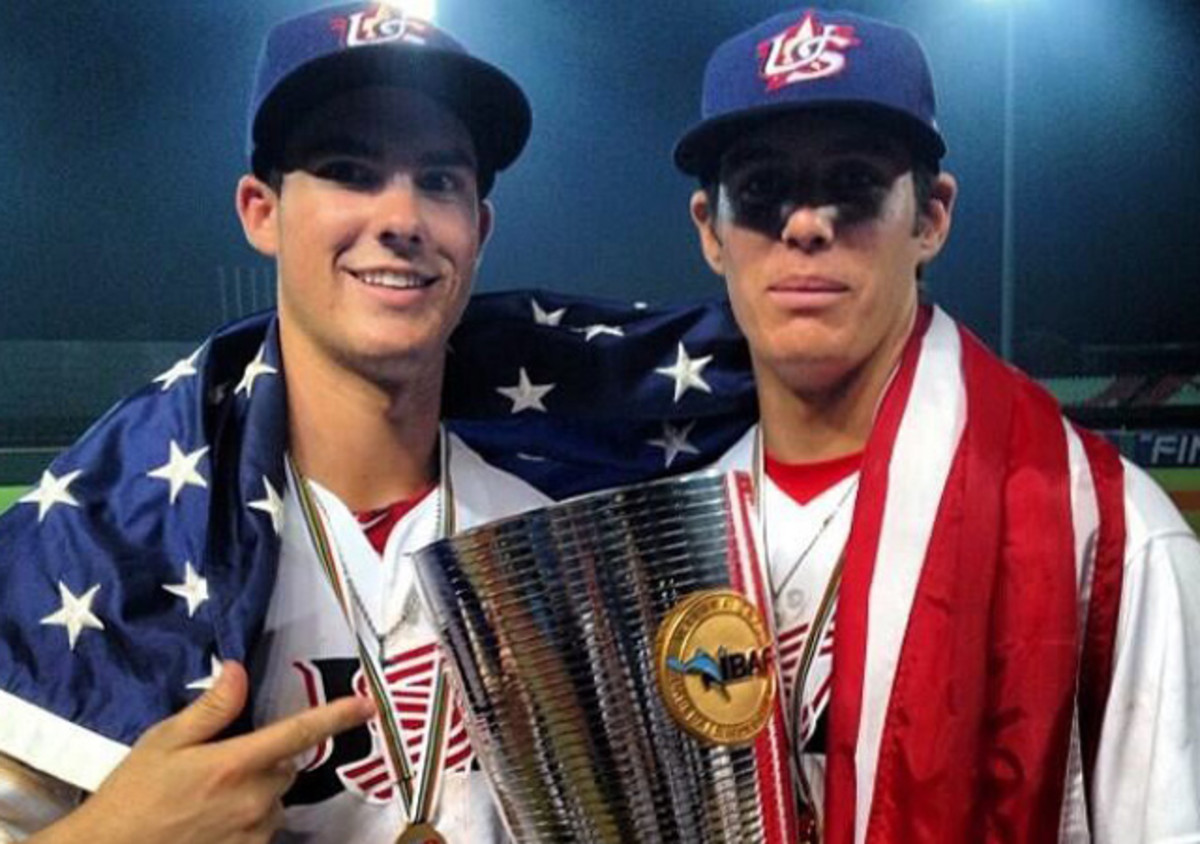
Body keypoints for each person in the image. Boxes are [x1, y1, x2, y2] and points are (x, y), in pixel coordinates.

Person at [0, 3, 547, 842]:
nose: (401, 218)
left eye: (439, 179)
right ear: (261, 211)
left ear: (478, 229)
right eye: (349, 170)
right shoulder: (119, 540)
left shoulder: (542, 535)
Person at [672, 8, 1200, 843]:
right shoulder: (668, 541)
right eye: (764, 192)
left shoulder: (1109, 533)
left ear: (931, 218)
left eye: (852, 185)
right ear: (710, 229)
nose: (806, 226)